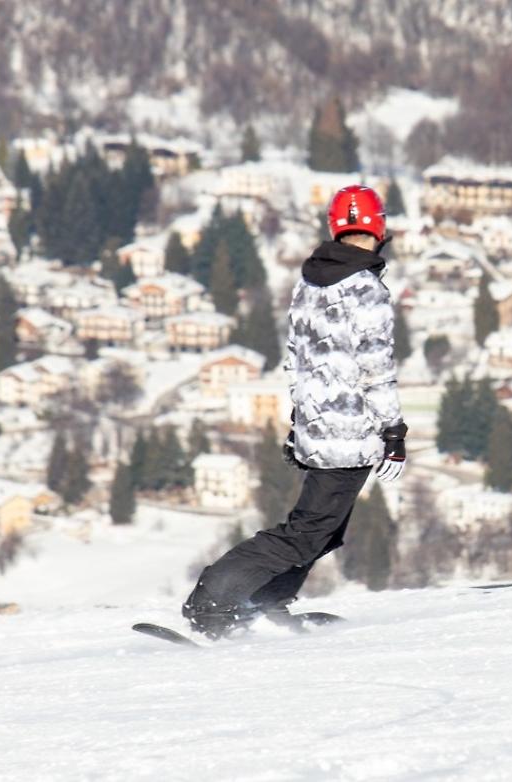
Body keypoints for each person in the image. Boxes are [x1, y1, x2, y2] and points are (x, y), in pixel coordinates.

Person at [182, 184, 406, 638]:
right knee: (306, 531)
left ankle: (267, 601)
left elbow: (297, 359)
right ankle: (212, 602)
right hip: (350, 433)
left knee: (324, 530)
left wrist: (299, 425)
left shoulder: (311, 282)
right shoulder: (366, 289)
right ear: (378, 227)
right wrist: (394, 431)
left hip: (317, 426)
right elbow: (375, 368)